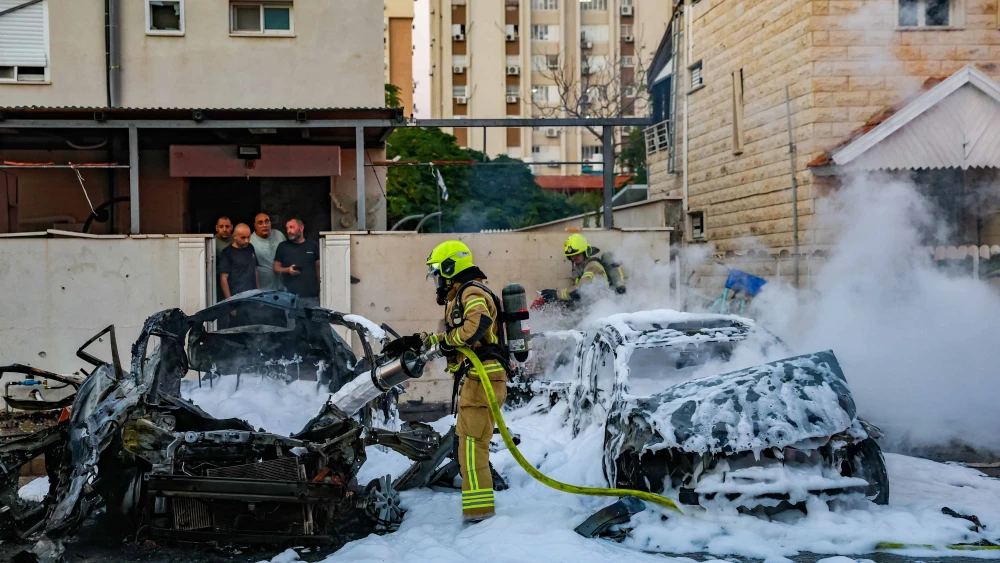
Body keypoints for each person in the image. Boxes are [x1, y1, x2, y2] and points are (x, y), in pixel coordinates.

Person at [385, 241, 509, 523]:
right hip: (480, 379)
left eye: (439, 274)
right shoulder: (464, 293)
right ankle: (478, 512)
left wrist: (446, 343)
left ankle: (479, 514)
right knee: (469, 446)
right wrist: (421, 342)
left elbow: (476, 324)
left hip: (482, 379)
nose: (438, 282)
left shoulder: (471, 291)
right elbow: (457, 335)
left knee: (472, 448)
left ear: (451, 268)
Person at [540, 233, 610, 304]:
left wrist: (556, 294)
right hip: (593, 307)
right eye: (572, 256)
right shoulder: (582, 270)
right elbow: (577, 297)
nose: (574, 258)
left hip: (602, 308)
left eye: (578, 254)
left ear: (585, 252)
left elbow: (579, 290)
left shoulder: (593, 266)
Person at [273, 218, 321, 308]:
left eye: (292, 227)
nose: (289, 231)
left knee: (314, 317)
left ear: (301, 228)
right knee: (292, 318)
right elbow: (276, 268)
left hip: (312, 296)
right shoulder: (283, 246)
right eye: (287, 228)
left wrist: (321, 290)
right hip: (290, 297)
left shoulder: (312, 245)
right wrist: (288, 270)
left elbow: (318, 269)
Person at [218, 224, 260, 327]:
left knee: (254, 329)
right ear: (234, 236)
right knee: (238, 330)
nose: (247, 240)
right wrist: (230, 302)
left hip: (252, 298)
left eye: (249, 237)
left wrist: (259, 293)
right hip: (237, 300)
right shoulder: (227, 253)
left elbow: (255, 270)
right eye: (243, 237)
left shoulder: (250, 247)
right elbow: (223, 278)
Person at [250, 213, 287, 291]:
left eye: (267, 221)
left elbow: (287, 255)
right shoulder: (250, 242)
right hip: (263, 289)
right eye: (260, 223)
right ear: (255, 225)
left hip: (282, 286)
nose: (264, 225)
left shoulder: (278, 235)